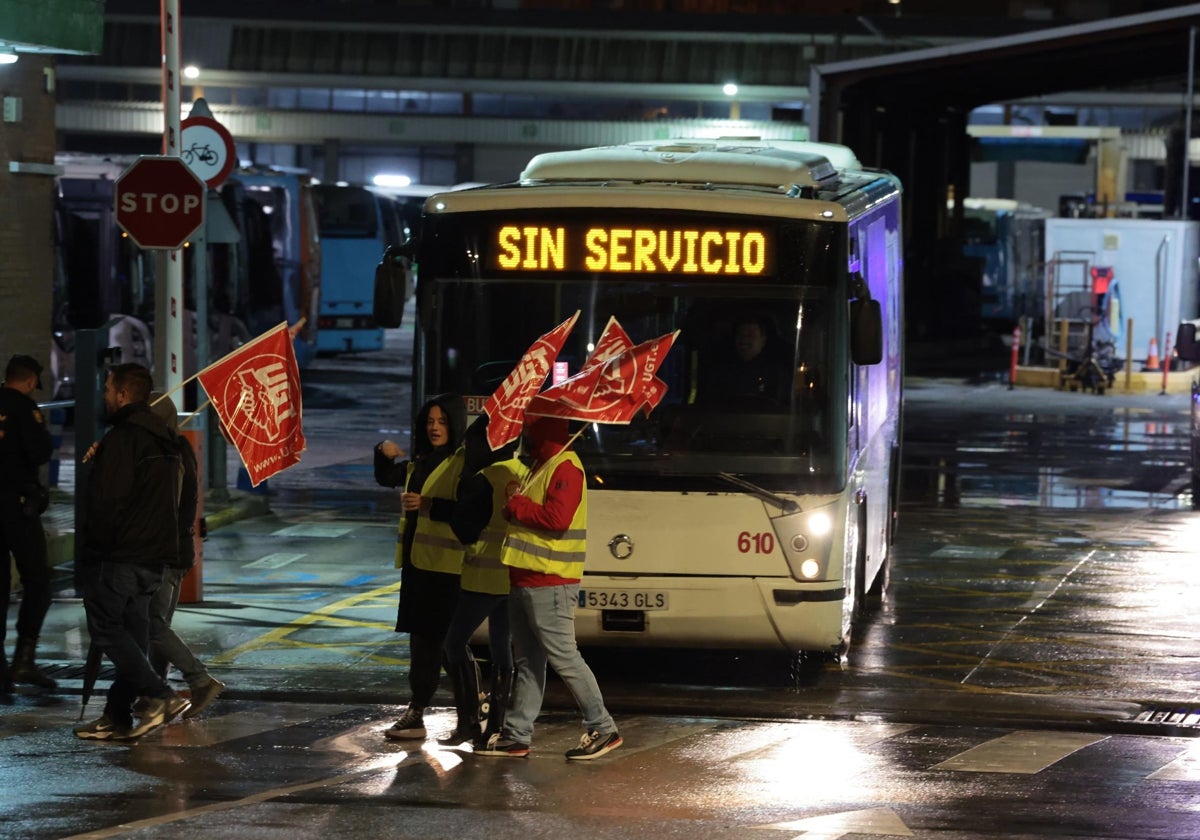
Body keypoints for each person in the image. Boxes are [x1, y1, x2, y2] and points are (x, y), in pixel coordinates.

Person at [475, 415, 622, 761]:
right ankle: (516, 736)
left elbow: (557, 519)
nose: (524, 431)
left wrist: (518, 506)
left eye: (530, 426)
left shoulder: (565, 466)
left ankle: (603, 727)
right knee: (528, 662)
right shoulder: (540, 465)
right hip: (526, 578)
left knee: (564, 657)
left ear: (544, 429)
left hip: (550, 580)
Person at [74, 364, 192, 740]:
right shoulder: (168, 441)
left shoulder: (124, 439)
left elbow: (109, 502)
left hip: (122, 554)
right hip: (154, 557)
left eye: (109, 389)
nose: (105, 395)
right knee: (132, 634)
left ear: (124, 394)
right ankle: (116, 714)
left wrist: (93, 552)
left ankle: (160, 695)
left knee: (106, 627)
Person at [374, 393, 467, 741]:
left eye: (442, 421)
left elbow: (469, 512)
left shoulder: (463, 462)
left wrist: (430, 505)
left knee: (447, 645)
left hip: (447, 569)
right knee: (422, 643)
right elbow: (387, 477)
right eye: (429, 421)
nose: (434, 427)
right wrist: (382, 449)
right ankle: (417, 711)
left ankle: (473, 708)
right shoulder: (420, 460)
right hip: (417, 566)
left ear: (455, 425)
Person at [439, 415, 528, 746]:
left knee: (453, 644)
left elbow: (464, 527)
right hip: (514, 575)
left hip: (482, 577)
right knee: (503, 649)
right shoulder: (523, 475)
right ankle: (498, 726)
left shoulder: (483, 479)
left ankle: (468, 722)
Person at [146, 395, 226, 719]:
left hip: (165, 553)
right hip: (178, 551)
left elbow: (163, 507)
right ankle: (154, 691)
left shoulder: (166, 455)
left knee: (152, 624)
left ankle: (199, 680)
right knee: (158, 624)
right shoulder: (179, 449)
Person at [0, 354, 56, 693]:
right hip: (17, 508)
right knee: (37, 580)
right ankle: (24, 659)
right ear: (31, 381)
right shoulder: (25, 408)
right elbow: (40, 453)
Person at [701, 313, 788, 407]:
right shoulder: (721, 371)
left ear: (763, 340)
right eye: (740, 334)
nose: (744, 339)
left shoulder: (777, 373)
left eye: (751, 335)